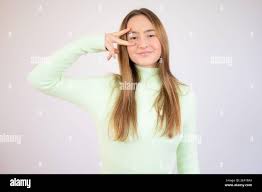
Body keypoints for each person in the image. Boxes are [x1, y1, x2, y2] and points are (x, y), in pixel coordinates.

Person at [27, 8, 200, 174]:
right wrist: (89, 44)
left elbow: (188, 163)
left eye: (150, 35)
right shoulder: (106, 88)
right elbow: (40, 79)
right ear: (123, 44)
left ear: (162, 40)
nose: (142, 43)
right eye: (133, 37)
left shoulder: (183, 94)